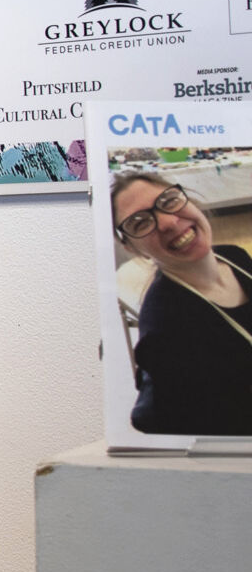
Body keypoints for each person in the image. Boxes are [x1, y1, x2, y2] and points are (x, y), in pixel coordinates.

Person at [111, 171, 252, 435]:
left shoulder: (234, 257)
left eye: (168, 201)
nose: (168, 222)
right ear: (132, 248)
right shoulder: (164, 333)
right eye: (140, 223)